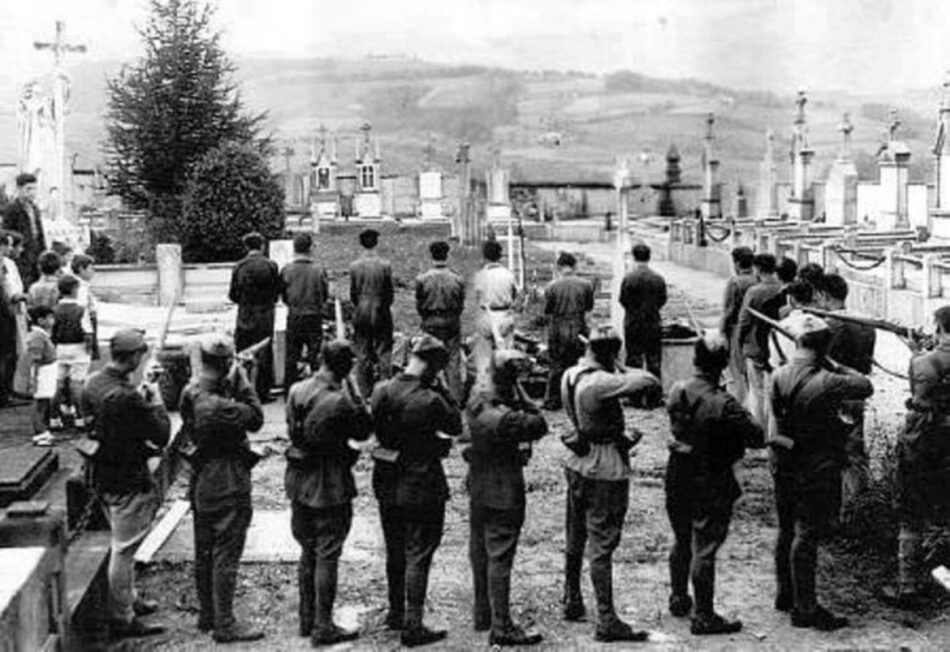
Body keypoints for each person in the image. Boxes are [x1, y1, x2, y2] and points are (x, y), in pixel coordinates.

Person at [769, 313, 873, 630]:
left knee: (786, 529)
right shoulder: (828, 380)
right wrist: (834, 363)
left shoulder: (779, 374)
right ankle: (806, 607)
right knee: (807, 533)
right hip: (815, 465)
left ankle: (785, 594)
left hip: (784, 458)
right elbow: (864, 385)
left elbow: (774, 416)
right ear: (824, 345)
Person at [560, 324, 661, 642]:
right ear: (610, 354)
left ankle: (572, 598)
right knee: (602, 544)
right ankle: (606, 619)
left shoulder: (571, 374)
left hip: (578, 460)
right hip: (603, 466)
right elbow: (649, 380)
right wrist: (619, 366)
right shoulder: (600, 382)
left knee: (575, 534)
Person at [665, 333, 765, 635]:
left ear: (696, 359)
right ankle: (705, 616)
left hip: (678, 472)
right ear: (722, 365)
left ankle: (679, 597)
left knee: (682, 538)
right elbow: (756, 437)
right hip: (710, 476)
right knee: (705, 545)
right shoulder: (725, 403)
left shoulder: (677, 389)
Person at [370, 335, 462, 647]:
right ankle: (413, 624)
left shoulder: (382, 390)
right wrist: (442, 388)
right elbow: (455, 424)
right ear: (434, 367)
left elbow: (376, 428)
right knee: (419, 552)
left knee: (394, 548)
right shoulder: (431, 398)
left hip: (386, 479)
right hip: (422, 482)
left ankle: (396, 612)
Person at [80, 329, 170, 639]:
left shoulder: (92, 383)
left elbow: (110, 422)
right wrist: (153, 396)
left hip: (102, 475)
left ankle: (129, 599)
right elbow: (161, 434)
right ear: (133, 357)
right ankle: (123, 616)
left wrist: (140, 394)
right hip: (128, 480)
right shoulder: (127, 396)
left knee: (123, 544)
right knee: (124, 550)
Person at [285, 340, 372, 645]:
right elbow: (364, 430)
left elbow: (293, 432)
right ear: (346, 367)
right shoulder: (342, 401)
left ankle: (307, 619)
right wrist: (356, 391)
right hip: (330, 485)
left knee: (307, 551)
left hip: (300, 483)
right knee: (327, 555)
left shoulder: (297, 390)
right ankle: (323, 625)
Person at [179, 333, 265, 643]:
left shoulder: (192, 392)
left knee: (204, 550)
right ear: (227, 362)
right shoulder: (220, 406)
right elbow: (256, 418)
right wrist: (242, 380)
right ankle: (225, 624)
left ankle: (208, 614)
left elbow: (191, 420)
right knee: (226, 554)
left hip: (202, 478)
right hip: (227, 480)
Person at [466, 350, 548, 646]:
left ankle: (482, 611)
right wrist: (521, 392)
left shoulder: (477, 403)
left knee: (479, 551)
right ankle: (501, 626)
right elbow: (540, 422)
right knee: (500, 555)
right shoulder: (508, 418)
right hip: (504, 489)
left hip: (477, 484)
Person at [890, 306, 950, 608]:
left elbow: (918, 389)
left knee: (912, 513)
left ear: (938, 329)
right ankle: (943, 577)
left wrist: (916, 352)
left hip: (923, 444)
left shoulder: (923, 362)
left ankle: (908, 586)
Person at [817, 273, 875, 522]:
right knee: (855, 450)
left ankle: (843, 512)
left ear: (825, 296)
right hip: (858, 391)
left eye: (819, 296)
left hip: (836, 395)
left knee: (835, 453)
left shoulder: (830, 326)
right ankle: (860, 506)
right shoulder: (865, 323)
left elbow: (826, 365)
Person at [228, 232, 280, 402]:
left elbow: (233, 294)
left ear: (246, 247)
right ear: (262, 246)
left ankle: (242, 390)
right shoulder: (271, 265)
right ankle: (263, 392)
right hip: (265, 314)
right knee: (264, 352)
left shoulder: (239, 266)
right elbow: (275, 292)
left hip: (245, 314)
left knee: (243, 351)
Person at [542, 252, 594, 411]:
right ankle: (578, 398)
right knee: (579, 364)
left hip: (558, 328)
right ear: (574, 266)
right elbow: (588, 308)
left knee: (556, 365)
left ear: (558, 267)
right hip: (578, 326)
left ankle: (553, 400)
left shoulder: (551, 287)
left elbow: (547, 310)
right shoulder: (586, 285)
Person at [414, 240, 465, 401]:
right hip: (451, 320)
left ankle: (428, 395)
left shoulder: (422, 279)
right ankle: (455, 398)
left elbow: (419, 304)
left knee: (429, 358)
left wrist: (426, 317)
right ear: (447, 255)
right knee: (452, 361)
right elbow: (460, 304)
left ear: (431, 255)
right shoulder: (457, 279)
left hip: (431, 320)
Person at [736, 253, 782, 429]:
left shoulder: (754, 292)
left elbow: (744, 321)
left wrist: (739, 343)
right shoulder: (781, 288)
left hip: (756, 345)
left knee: (758, 392)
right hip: (777, 347)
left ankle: (759, 430)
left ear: (757, 269)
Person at [280, 232, 329, 390]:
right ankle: (318, 388)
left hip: (294, 314)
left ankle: (290, 389)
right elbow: (324, 294)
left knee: (292, 356)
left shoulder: (287, 270)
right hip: (314, 315)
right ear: (310, 248)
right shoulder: (319, 269)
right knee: (315, 354)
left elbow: (283, 295)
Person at [349, 229, 395, 398]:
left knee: (362, 352)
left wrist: (360, 304)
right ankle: (385, 391)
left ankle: (364, 391)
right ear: (376, 243)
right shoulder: (385, 265)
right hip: (381, 308)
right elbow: (389, 292)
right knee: (384, 351)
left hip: (361, 310)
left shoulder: (354, 266)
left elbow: (353, 293)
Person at [471, 240, 518, 397]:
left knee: (485, 357)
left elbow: (477, 298)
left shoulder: (480, 275)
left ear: (484, 256)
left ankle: (487, 392)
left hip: (487, 313)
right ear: (500, 256)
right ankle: (508, 391)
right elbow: (515, 295)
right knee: (506, 355)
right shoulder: (508, 274)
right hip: (504, 314)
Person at [619, 242, 667, 382]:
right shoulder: (658, 279)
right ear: (649, 258)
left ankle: (635, 396)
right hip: (653, 323)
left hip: (633, 324)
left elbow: (623, 300)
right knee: (654, 361)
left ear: (634, 258)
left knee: (634, 361)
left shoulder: (629, 279)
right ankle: (654, 396)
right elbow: (662, 300)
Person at [51, 274, 92, 430]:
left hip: (60, 348)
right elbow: (87, 332)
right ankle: (80, 418)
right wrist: (88, 350)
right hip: (78, 347)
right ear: (75, 289)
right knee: (77, 384)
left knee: (57, 384)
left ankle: (54, 418)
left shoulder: (55, 310)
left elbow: (52, 331)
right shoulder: (81, 309)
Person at [720, 246, 756, 403]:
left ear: (737, 263)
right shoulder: (757, 279)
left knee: (737, 373)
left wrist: (722, 333)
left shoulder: (735, 282)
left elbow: (728, 311)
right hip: (756, 330)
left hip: (737, 329)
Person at [1, 173, 45, 287]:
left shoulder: (34, 208)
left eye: (34, 189)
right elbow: (7, 233)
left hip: (36, 253)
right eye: (28, 189)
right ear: (19, 189)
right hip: (21, 254)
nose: (32, 192)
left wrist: (43, 251)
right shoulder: (12, 209)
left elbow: (40, 233)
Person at [25, 305, 57, 446]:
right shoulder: (38, 336)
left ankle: (43, 429)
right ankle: (40, 432)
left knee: (44, 402)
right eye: (50, 317)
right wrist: (33, 379)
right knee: (39, 404)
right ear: (41, 320)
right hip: (42, 374)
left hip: (47, 372)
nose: (53, 320)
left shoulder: (42, 335)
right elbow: (35, 359)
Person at [72, 254, 99, 361]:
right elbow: (81, 309)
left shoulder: (84, 285)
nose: (93, 272)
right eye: (90, 269)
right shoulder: (80, 287)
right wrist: (87, 330)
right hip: (85, 324)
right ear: (81, 269)